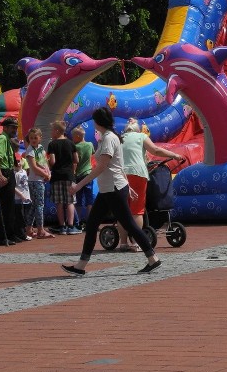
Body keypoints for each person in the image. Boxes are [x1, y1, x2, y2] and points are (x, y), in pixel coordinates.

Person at [61, 106, 161, 276]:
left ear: (98, 122)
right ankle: (81, 265)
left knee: (127, 223)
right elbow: (118, 165)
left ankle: (153, 259)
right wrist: (128, 187)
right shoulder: (109, 137)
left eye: (94, 120)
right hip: (111, 188)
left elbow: (102, 166)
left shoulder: (109, 138)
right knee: (92, 224)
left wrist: (78, 185)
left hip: (113, 189)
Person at [117, 117, 184, 251]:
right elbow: (155, 150)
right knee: (137, 210)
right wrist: (174, 155)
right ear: (137, 129)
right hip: (137, 174)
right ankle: (136, 243)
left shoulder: (120, 138)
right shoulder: (141, 136)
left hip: (121, 174)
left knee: (122, 210)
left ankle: (123, 243)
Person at [0, 116, 20, 246]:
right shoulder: (2, 139)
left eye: (16, 128)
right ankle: (0, 237)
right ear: (5, 128)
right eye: (12, 127)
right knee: (6, 207)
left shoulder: (7, 139)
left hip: (8, 171)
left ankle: (10, 233)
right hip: (3, 172)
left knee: (10, 206)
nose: (15, 130)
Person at [46, 121, 78, 235]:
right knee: (70, 201)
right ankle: (71, 225)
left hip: (57, 175)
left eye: (52, 130)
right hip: (69, 175)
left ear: (57, 131)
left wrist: (48, 163)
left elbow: (53, 161)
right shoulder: (71, 143)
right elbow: (76, 160)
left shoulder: (52, 144)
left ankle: (62, 226)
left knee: (59, 202)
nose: (51, 132)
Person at [23, 127, 52, 239]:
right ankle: (40, 230)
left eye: (35, 138)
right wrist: (45, 175)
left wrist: (48, 173)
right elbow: (34, 167)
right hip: (35, 181)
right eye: (31, 138)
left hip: (40, 180)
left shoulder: (40, 148)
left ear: (40, 138)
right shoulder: (30, 151)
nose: (33, 140)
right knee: (39, 205)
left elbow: (44, 163)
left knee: (35, 206)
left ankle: (29, 228)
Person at [70, 126, 94, 233]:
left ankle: (78, 221)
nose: (72, 139)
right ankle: (90, 221)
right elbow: (92, 154)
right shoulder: (90, 145)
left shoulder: (76, 147)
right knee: (89, 199)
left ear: (78, 136)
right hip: (88, 173)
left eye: (73, 137)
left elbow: (76, 161)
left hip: (79, 174)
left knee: (78, 199)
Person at [13, 156, 32, 241]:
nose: (18, 163)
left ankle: (24, 232)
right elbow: (13, 187)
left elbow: (25, 185)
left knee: (25, 216)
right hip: (18, 199)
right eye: (16, 162)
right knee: (20, 217)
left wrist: (28, 196)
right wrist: (21, 195)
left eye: (19, 161)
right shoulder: (15, 174)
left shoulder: (24, 171)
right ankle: (21, 234)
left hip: (26, 198)